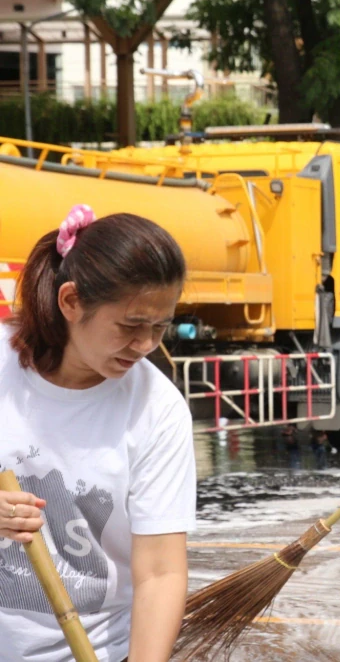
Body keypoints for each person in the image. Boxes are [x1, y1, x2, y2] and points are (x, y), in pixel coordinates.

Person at [0, 205, 195, 662]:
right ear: (71, 302)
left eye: (159, 327)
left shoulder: (157, 408)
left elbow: (161, 572)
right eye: (130, 326)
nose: (146, 345)